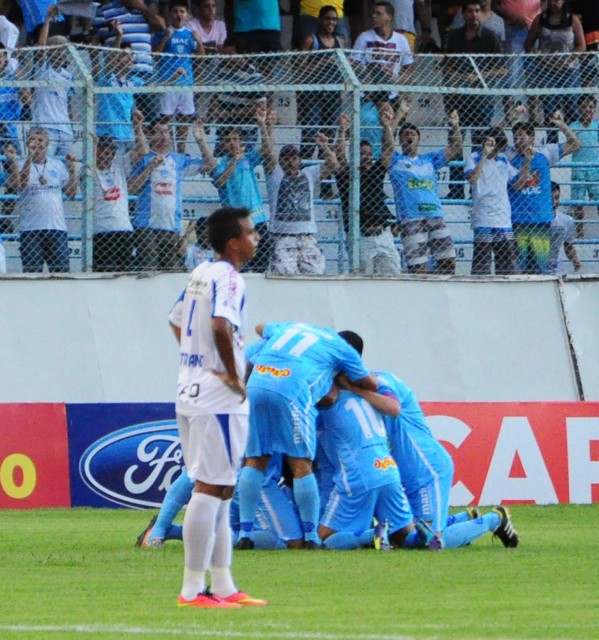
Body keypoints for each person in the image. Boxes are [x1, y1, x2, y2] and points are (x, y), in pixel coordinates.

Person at [168, 205, 266, 608]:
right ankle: (192, 589)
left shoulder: (199, 273)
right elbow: (220, 326)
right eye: (251, 232)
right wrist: (231, 374)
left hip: (190, 390)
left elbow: (176, 321)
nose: (256, 238)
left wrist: (197, 361)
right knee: (211, 488)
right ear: (234, 242)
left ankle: (224, 585)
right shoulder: (228, 277)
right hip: (216, 399)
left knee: (223, 489)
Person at [236, 322, 378, 549]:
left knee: (254, 460)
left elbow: (260, 327)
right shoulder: (342, 350)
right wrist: (343, 376)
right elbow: (370, 383)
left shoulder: (292, 326)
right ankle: (312, 537)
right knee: (300, 462)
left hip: (256, 385)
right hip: (292, 392)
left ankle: (245, 534)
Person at [198, 107, 276, 273]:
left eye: (235, 139)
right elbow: (220, 181)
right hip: (236, 222)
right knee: (238, 265)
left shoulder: (248, 158)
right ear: (222, 144)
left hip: (258, 218)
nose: (232, 143)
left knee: (261, 263)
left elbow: (268, 150)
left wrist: (263, 125)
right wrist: (234, 161)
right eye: (228, 140)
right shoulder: (221, 163)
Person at [388, 109, 463, 274]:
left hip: (435, 216)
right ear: (400, 140)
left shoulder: (429, 159)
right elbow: (386, 144)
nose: (409, 136)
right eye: (405, 134)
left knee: (448, 262)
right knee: (417, 268)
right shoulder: (395, 160)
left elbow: (456, 147)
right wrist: (394, 120)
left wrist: (455, 126)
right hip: (411, 218)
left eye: (413, 134)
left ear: (419, 139)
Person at [444, 0, 505, 199]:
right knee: (455, 143)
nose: (474, 15)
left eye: (477, 11)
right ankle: (455, 190)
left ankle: (475, 189)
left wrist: (478, 76)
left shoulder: (490, 37)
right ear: (463, 14)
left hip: (481, 100)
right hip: (457, 98)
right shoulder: (454, 37)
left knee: (479, 144)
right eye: (469, 11)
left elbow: (502, 69)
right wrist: (460, 78)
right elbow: (447, 65)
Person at [128, 117, 207, 271]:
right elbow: (131, 188)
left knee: (171, 270)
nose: (164, 136)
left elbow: (209, 164)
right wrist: (149, 168)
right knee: (149, 268)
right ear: (150, 136)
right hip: (146, 226)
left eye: (166, 132)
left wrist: (201, 140)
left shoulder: (179, 160)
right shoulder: (144, 159)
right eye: (158, 132)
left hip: (171, 226)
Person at [506, 113, 580, 274]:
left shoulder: (546, 152)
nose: (517, 141)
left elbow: (574, 143)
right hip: (518, 220)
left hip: (540, 220)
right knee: (520, 269)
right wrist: (513, 116)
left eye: (521, 137)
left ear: (532, 138)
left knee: (540, 268)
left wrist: (562, 125)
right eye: (515, 137)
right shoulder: (509, 155)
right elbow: (493, 135)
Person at [336, 106, 404, 275]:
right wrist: (342, 131)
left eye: (368, 154)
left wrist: (386, 125)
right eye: (362, 154)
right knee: (361, 280)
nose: (366, 157)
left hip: (382, 234)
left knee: (394, 276)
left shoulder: (376, 172)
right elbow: (339, 156)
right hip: (360, 236)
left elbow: (389, 149)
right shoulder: (348, 177)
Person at [5, 128, 77, 273]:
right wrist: (29, 158)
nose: (36, 143)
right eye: (33, 139)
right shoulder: (19, 164)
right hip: (31, 229)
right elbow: (22, 185)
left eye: (40, 140)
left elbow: (71, 193)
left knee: (61, 275)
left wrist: (72, 169)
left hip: (56, 228)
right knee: (32, 276)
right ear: (27, 143)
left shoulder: (56, 165)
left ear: (47, 143)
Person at [266, 135, 339, 276]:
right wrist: (266, 125)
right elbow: (268, 153)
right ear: (280, 161)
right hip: (283, 236)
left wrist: (324, 147)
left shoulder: (309, 173)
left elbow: (333, 164)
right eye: (286, 159)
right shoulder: (275, 174)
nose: (290, 162)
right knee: (285, 275)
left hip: (306, 236)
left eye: (294, 158)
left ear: (299, 160)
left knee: (316, 273)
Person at [465, 126, 532, 275]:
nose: (497, 151)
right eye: (495, 147)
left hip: (503, 219)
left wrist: (527, 162)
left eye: (500, 147)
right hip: (483, 218)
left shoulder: (503, 159)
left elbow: (518, 184)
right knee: (481, 267)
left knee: (508, 267)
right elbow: (472, 178)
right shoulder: (473, 158)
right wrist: (484, 155)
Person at [91, 111, 148, 272]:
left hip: (123, 228)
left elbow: (143, 152)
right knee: (103, 275)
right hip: (100, 230)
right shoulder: (88, 169)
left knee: (126, 274)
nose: (105, 156)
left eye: (109, 152)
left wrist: (137, 126)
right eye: (101, 151)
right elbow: (90, 168)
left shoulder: (119, 165)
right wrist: (93, 146)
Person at [524, 0, 585, 141]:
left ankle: (574, 140)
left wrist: (569, 58)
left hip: (569, 69)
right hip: (547, 69)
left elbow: (582, 45)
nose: (553, 3)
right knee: (550, 107)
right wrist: (539, 55)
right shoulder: (540, 19)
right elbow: (528, 43)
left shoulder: (572, 19)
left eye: (557, 0)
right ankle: (552, 143)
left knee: (572, 105)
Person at [152, 0, 205, 153]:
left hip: (186, 83)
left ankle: (181, 151)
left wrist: (199, 42)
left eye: (182, 11)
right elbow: (156, 55)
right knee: (165, 119)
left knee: (184, 120)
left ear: (187, 15)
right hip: (168, 82)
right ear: (170, 14)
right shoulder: (164, 32)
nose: (179, 15)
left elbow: (201, 57)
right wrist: (165, 38)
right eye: (175, 11)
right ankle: (163, 151)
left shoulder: (190, 34)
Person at [297, 5, 344, 159]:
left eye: (334, 19)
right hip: (313, 95)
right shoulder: (311, 40)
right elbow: (300, 70)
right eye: (327, 19)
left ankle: (324, 180)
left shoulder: (341, 41)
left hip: (333, 94)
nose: (331, 22)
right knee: (310, 135)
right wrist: (323, 61)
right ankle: (303, 173)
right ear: (320, 20)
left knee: (328, 137)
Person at [95, 23, 146, 153]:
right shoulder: (107, 78)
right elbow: (111, 62)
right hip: (109, 135)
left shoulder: (133, 82)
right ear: (117, 59)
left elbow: (156, 87)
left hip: (127, 135)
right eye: (124, 55)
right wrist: (119, 36)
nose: (129, 58)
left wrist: (175, 77)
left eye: (131, 56)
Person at [32, 5, 75, 158]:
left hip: (65, 129)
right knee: (45, 162)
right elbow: (41, 47)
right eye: (56, 48)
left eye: (62, 49)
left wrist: (72, 125)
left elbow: (68, 102)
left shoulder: (68, 75)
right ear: (49, 51)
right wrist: (47, 19)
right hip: (45, 127)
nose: (60, 52)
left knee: (64, 167)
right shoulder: (43, 69)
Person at [93, 0, 166, 78]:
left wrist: (143, 8)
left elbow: (161, 27)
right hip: (118, 73)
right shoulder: (104, 10)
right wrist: (96, 68)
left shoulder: (145, 12)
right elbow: (95, 40)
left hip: (144, 72)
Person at [352, 1, 413, 88]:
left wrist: (397, 80)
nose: (374, 16)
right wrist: (366, 77)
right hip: (367, 89)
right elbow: (354, 63)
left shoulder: (401, 39)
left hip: (391, 90)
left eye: (378, 13)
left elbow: (408, 68)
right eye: (373, 13)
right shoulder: (364, 37)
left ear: (389, 17)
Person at [568, 94, 599, 238]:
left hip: (594, 169)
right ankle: (579, 232)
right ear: (579, 108)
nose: (587, 109)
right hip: (578, 169)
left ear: (594, 109)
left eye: (591, 107)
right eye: (584, 106)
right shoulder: (573, 126)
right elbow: (570, 143)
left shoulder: (597, 126)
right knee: (578, 203)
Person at [549, 181, 582, 275]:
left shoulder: (566, 220)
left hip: (558, 270)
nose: (555, 202)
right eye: (551, 199)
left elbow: (568, 246)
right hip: (538, 270)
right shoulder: (535, 221)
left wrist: (576, 261)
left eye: (556, 198)